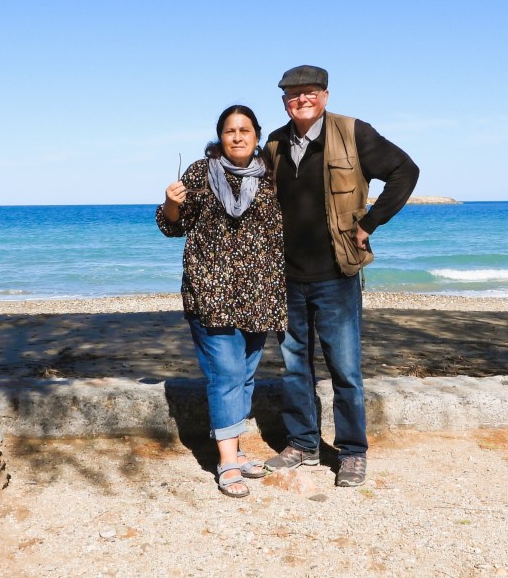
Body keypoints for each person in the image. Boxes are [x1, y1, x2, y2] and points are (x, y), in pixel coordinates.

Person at [262, 65, 419, 487]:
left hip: (336, 274)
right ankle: (303, 443)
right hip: (286, 278)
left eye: (310, 92)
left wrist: (370, 223)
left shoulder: (353, 132)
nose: (302, 100)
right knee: (295, 368)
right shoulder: (274, 143)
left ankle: (352, 451)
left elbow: (406, 172)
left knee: (344, 369)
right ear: (283, 102)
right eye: (293, 95)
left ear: (325, 96)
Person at [156, 104, 287, 498]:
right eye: (229, 130)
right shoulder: (200, 171)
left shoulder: (272, 177)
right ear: (220, 136)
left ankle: (236, 448)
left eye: (244, 129)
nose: (237, 136)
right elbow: (171, 226)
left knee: (245, 374)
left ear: (257, 135)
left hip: (260, 291)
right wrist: (171, 200)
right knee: (227, 373)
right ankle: (227, 460)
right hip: (210, 289)